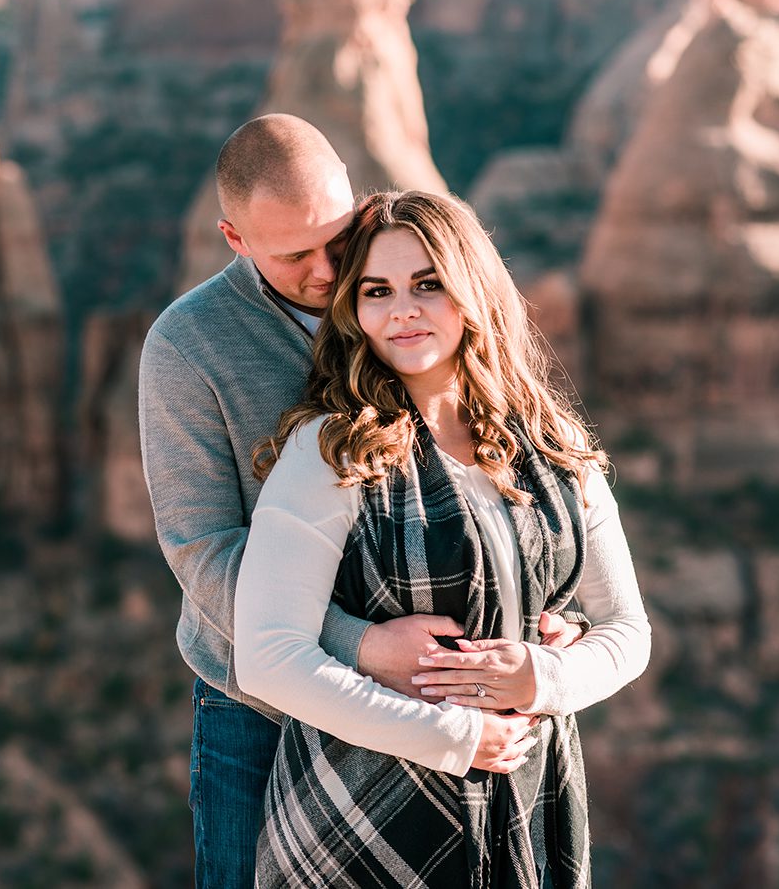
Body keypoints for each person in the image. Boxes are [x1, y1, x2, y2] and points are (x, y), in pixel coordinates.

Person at [139, 115, 586, 887]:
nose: (325, 270)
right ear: (233, 238)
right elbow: (203, 550)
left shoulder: (412, 297)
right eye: (293, 255)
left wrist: (552, 608)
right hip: (260, 709)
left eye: (338, 239)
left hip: (451, 694)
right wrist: (361, 645)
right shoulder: (188, 347)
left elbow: (502, 459)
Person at [232, 189, 652, 887]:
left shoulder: (553, 448)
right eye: (377, 290)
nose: (402, 309)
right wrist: (455, 736)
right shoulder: (333, 450)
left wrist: (542, 676)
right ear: (354, 311)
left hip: (525, 796)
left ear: (472, 289)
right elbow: (269, 656)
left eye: (428, 283)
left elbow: (626, 628)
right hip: (356, 816)